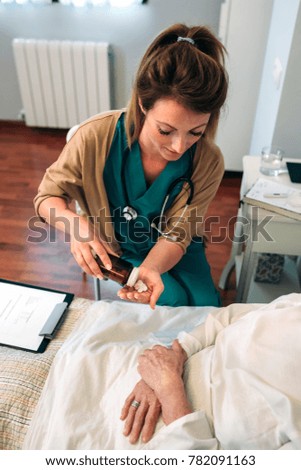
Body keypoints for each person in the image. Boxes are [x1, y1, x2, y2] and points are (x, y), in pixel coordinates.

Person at [34, 23, 228, 309]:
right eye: (165, 130)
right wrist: (76, 226)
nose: (178, 146)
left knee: (205, 305)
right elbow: (46, 198)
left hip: (177, 247)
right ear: (142, 104)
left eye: (195, 132)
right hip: (120, 247)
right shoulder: (95, 136)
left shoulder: (208, 161)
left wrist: (151, 268)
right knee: (170, 299)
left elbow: (178, 234)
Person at [23, 293, 301, 450]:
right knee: (77, 354)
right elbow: (225, 320)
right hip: (161, 366)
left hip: (164, 430)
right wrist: (171, 360)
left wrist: (169, 390)